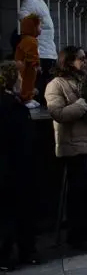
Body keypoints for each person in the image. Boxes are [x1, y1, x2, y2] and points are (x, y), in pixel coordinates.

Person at [45, 46, 87, 250]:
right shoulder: (56, 85)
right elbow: (59, 114)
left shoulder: (86, 79)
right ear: (69, 61)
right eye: (81, 58)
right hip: (73, 146)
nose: (85, 61)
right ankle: (78, 235)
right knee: (78, 194)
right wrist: (84, 102)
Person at [0, 61, 40, 271]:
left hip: (12, 167)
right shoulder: (10, 106)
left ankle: (15, 253)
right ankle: (13, 254)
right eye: (20, 77)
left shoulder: (14, 103)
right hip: (14, 167)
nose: (22, 80)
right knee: (15, 212)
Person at [18, 0, 56, 106]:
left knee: (45, 79)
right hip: (40, 48)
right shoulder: (30, 1)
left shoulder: (41, 1)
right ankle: (31, 98)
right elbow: (23, 15)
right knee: (36, 77)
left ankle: (40, 100)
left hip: (48, 48)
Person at [14, 14, 41, 108]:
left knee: (30, 82)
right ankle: (25, 98)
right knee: (27, 82)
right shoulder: (30, 40)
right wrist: (36, 64)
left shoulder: (28, 39)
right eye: (39, 26)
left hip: (27, 66)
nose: (40, 28)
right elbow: (31, 55)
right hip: (27, 67)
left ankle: (28, 98)